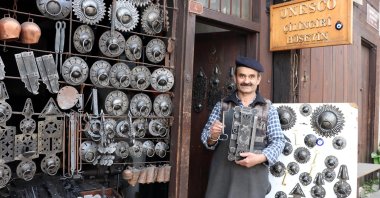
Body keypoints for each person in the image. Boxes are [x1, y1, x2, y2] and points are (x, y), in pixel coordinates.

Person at [201, 56, 285, 198]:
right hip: (222, 176)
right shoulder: (221, 105)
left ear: (258, 79)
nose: (246, 81)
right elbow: (206, 138)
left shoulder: (268, 108)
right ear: (235, 78)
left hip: (253, 177)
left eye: (251, 77)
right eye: (242, 76)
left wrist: (260, 158)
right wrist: (212, 137)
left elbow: (278, 141)